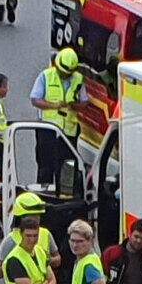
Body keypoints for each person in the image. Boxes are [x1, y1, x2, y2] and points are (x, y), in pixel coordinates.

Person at [31, 49, 82, 185]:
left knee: (67, 166)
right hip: (47, 129)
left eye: (69, 73)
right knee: (45, 166)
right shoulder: (45, 76)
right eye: (64, 72)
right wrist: (55, 105)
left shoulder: (78, 79)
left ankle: (65, 194)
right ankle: (44, 191)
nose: (66, 75)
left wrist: (73, 105)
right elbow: (35, 100)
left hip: (68, 131)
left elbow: (84, 102)